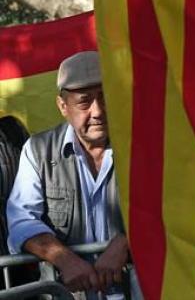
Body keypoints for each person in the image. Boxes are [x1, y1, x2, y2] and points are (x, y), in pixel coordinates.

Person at [6, 51, 129, 298]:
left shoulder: (140, 145)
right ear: (63, 106)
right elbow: (21, 221)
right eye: (85, 101)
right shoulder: (39, 150)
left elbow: (172, 208)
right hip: (66, 294)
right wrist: (65, 259)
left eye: (105, 97)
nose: (98, 111)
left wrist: (127, 241)